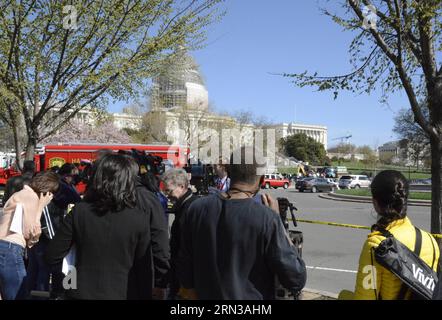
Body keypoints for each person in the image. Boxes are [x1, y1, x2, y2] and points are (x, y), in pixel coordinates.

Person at [177, 146, 306, 300]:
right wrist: (277, 220)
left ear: (229, 173)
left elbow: (184, 267)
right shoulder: (267, 218)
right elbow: (295, 278)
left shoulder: (196, 209)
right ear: (262, 179)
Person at [45, 154, 163, 299]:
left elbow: (52, 255)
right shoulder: (139, 217)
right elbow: (144, 268)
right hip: (124, 291)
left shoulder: (80, 211)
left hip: (81, 291)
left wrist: (71, 275)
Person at [339, 170, 440, 300]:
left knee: (343, 295)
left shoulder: (376, 245)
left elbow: (365, 297)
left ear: (375, 203)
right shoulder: (431, 241)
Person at [26, 163, 82, 299]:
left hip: (42, 238)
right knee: (46, 272)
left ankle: (35, 295)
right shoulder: (53, 194)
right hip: (48, 238)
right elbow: (48, 224)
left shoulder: (49, 193)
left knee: (36, 271)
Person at [0, 171, 59, 300]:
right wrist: (41, 207)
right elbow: (32, 231)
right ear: (47, 190)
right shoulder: (31, 198)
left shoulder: (19, 194)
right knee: (18, 295)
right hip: (11, 248)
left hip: (4, 245)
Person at [161, 169, 198, 299]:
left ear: (181, 187)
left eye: (169, 190)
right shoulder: (184, 205)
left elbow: (187, 247)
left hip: (185, 278)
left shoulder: (190, 208)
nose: (167, 195)